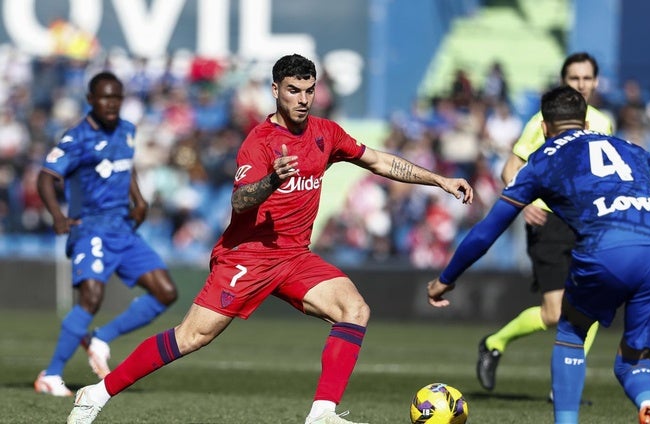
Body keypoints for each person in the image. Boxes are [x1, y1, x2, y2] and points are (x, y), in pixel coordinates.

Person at [66, 53, 473, 424]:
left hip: (294, 256)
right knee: (191, 337)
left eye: (309, 90)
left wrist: (438, 179)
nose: (302, 99)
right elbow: (240, 200)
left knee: (354, 310)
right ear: (275, 90)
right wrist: (271, 180)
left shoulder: (325, 132)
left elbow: (379, 160)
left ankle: (322, 414)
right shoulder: (258, 143)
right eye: (293, 90)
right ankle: (96, 393)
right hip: (247, 256)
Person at [426, 85, 650, 423]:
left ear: (545, 128)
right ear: (587, 123)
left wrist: (446, 279)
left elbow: (487, 231)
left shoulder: (542, 161)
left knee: (571, 331)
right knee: (635, 362)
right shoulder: (630, 148)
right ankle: (649, 403)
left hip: (609, 247)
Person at [475, 52, 614, 392]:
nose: (580, 85)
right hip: (548, 221)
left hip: (587, 223)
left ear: (595, 82)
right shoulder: (542, 121)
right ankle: (494, 342)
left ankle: (564, 386)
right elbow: (510, 167)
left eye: (586, 78)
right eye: (574, 79)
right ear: (563, 82)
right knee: (553, 314)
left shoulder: (603, 123)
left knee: (593, 304)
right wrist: (522, 203)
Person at [35, 71, 178, 397]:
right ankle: (51, 374)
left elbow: (125, 167)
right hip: (90, 228)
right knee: (92, 297)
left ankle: (100, 337)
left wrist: (139, 200)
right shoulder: (77, 138)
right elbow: (45, 177)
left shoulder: (127, 131)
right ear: (91, 100)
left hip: (123, 228)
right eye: (105, 97)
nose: (111, 104)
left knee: (166, 292)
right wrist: (57, 215)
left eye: (117, 98)